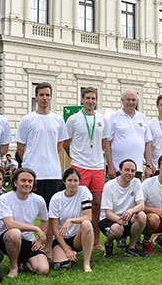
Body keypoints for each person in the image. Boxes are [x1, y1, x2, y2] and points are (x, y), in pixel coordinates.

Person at [17, 82, 68, 255]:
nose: (44, 98)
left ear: (51, 97)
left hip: (53, 173)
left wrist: (49, 159)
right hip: (33, 174)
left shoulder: (58, 120)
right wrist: (30, 165)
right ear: (36, 97)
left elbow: (59, 146)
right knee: (30, 211)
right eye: (41, 95)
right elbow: (20, 147)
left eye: (47, 95)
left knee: (50, 214)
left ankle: (47, 248)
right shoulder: (27, 120)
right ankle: (27, 247)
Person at [65, 86, 108, 253]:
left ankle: (96, 240)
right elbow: (66, 142)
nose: (90, 101)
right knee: (78, 204)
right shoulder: (74, 119)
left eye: (93, 98)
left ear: (96, 100)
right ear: (82, 100)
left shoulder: (102, 119)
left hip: (97, 167)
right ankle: (75, 239)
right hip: (79, 166)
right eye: (87, 98)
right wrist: (76, 156)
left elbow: (104, 142)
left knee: (96, 205)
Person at [0, 168, 50, 278]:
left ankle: (21, 258)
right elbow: (9, 224)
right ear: (15, 183)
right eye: (23, 180)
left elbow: (45, 219)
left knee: (42, 269)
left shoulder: (38, 200)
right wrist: (35, 229)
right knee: (15, 233)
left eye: (30, 181)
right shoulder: (5, 198)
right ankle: (14, 267)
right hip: (7, 238)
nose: (27, 184)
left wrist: (40, 240)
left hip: (27, 240)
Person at [98, 159, 148, 257]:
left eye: (133, 171)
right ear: (120, 170)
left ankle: (131, 248)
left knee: (142, 216)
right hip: (110, 219)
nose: (130, 173)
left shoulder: (136, 182)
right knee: (117, 229)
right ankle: (109, 244)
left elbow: (141, 205)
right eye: (127, 170)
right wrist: (119, 220)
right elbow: (108, 213)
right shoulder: (109, 186)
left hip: (127, 217)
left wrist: (130, 211)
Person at [49, 168, 94, 272]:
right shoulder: (56, 199)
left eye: (75, 181)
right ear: (64, 181)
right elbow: (55, 229)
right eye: (69, 180)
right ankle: (66, 252)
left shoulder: (84, 192)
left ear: (79, 182)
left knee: (87, 224)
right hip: (61, 239)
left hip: (77, 238)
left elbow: (88, 216)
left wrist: (70, 220)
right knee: (62, 266)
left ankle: (86, 263)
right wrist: (66, 249)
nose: (72, 184)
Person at [105, 89, 153, 180]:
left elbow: (148, 143)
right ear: (122, 100)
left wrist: (148, 165)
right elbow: (107, 142)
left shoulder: (142, 117)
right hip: (118, 168)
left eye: (133, 100)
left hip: (137, 169)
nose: (131, 102)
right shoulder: (114, 117)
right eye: (128, 99)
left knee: (135, 193)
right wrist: (110, 166)